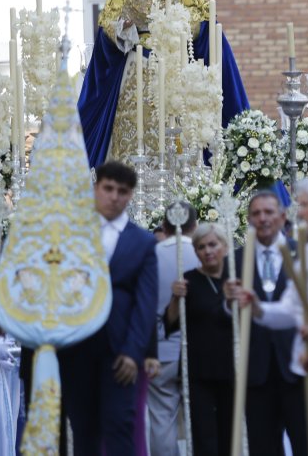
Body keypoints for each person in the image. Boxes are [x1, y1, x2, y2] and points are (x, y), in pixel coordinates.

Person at [77, 0, 252, 167]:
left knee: (172, 118)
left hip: (167, 67)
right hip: (135, 68)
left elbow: (197, 22)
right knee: (133, 122)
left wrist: (175, 27)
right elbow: (108, 29)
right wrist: (124, 28)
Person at [231, 173, 308, 455]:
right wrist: (257, 307)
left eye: (304, 205)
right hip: (301, 364)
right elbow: (291, 308)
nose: (300, 213)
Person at [60, 161, 158, 456]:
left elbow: (145, 302)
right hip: (77, 347)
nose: (114, 197)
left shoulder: (142, 242)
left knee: (120, 427)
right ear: (96, 188)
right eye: (109, 189)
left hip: (120, 351)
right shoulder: (72, 235)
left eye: (122, 191)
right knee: (83, 429)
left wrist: (133, 352)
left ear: (130, 195)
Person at [229, 189, 306, 456]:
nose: (263, 218)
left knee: (305, 442)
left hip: (296, 366)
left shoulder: (302, 253)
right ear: (249, 219)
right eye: (256, 213)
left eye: (269, 212)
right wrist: (229, 302)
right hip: (256, 369)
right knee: (263, 446)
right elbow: (228, 312)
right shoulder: (236, 260)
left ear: (282, 217)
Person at [164, 223, 235, 456]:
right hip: (198, 370)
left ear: (224, 246)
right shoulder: (188, 281)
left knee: (229, 432)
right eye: (201, 247)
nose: (208, 251)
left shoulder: (234, 278)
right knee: (203, 435)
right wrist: (176, 298)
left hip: (230, 367)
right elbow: (170, 323)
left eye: (213, 245)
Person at [148, 203, 200, 456]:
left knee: (161, 420)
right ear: (195, 226)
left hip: (161, 350)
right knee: (200, 418)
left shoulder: (152, 255)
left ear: (164, 226)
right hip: (199, 350)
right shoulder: (205, 252)